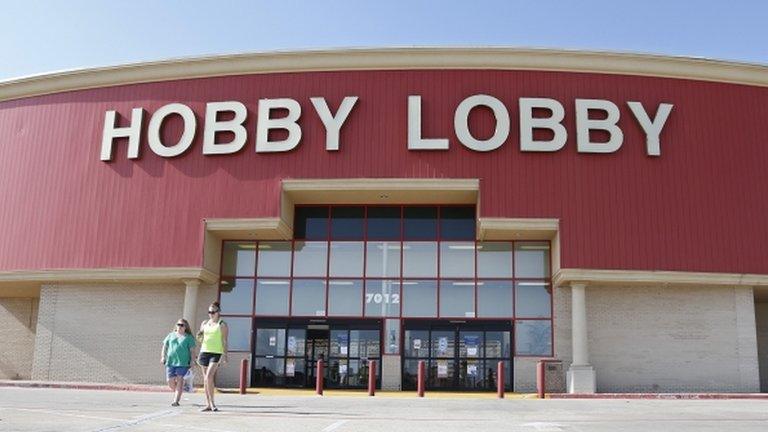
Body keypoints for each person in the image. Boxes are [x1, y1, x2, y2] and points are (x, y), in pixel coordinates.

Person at [197, 301, 228, 412]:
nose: (211, 314)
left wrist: (225, 355)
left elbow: (224, 341)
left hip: (216, 353)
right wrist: (199, 336)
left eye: (213, 312)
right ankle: (208, 404)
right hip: (204, 351)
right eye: (209, 312)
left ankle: (213, 403)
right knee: (206, 379)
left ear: (218, 312)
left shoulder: (222, 324)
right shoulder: (204, 323)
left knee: (209, 376)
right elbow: (200, 336)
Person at [161, 318, 195, 407]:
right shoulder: (171, 335)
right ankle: (179, 390)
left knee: (180, 379)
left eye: (182, 325)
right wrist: (163, 356)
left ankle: (176, 400)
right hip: (171, 361)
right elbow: (165, 346)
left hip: (183, 362)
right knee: (169, 381)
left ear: (185, 327)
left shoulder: (188, 337)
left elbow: (192, 351)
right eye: (178, 324)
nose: (180, 327)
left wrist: (192, 361)